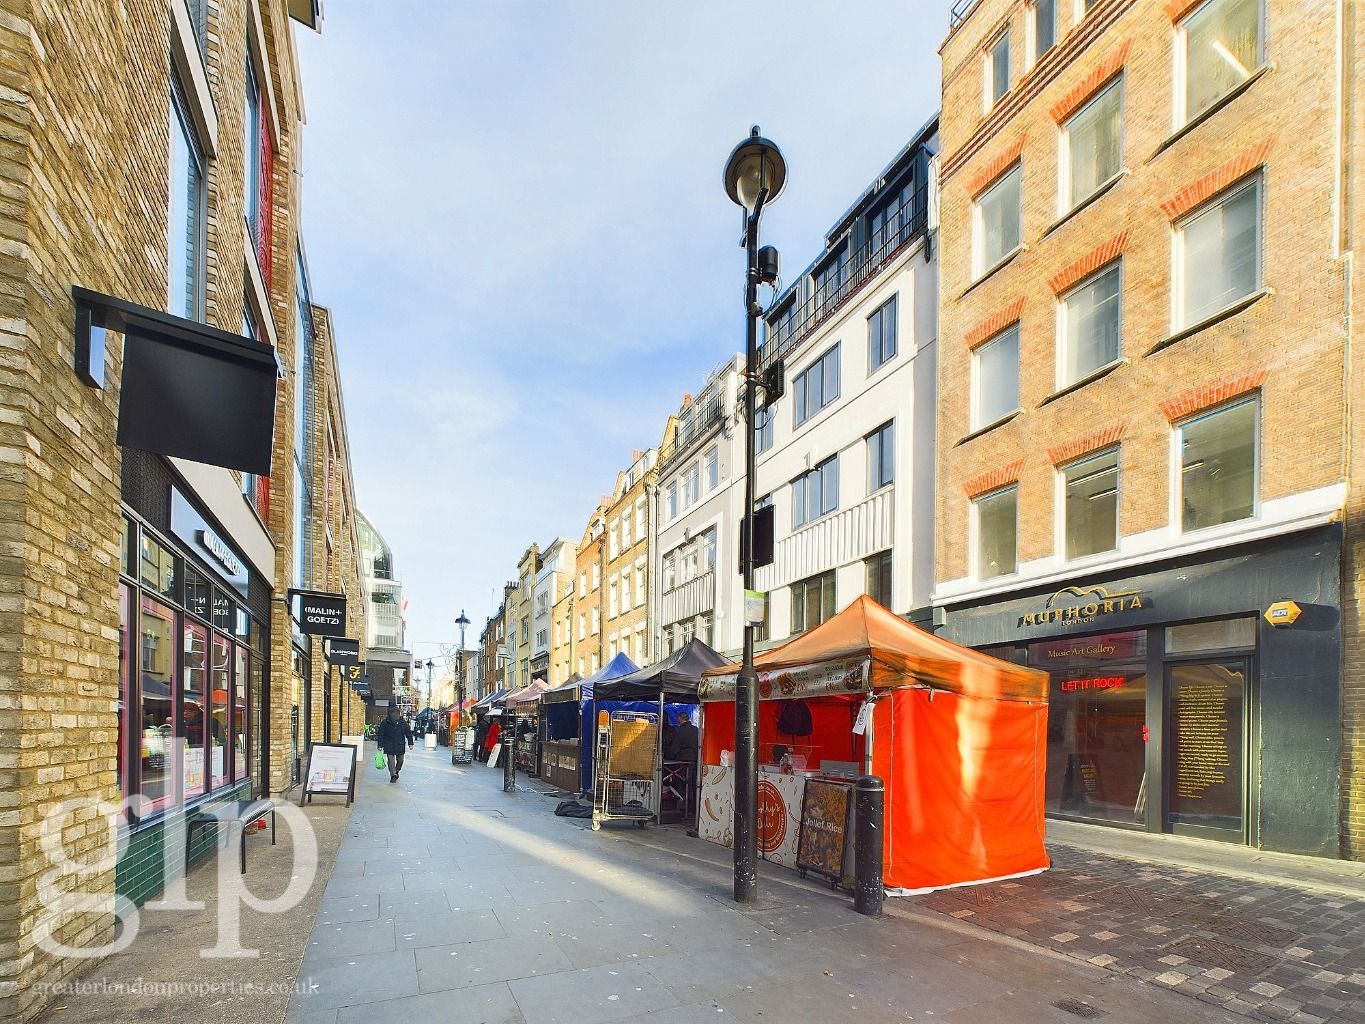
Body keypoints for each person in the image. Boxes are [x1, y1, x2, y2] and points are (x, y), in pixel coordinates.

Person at [376, 705, 414, 783]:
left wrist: (410, 743)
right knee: (391, 761)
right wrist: (380, 745)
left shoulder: (403, 722)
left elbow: (408, 733)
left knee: (400, 760)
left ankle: (397, 770)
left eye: (397, 713)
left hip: (400, 744)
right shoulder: (385, 722)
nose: (396, 715)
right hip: (389, 744)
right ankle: (393, 775)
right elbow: (381, 734)